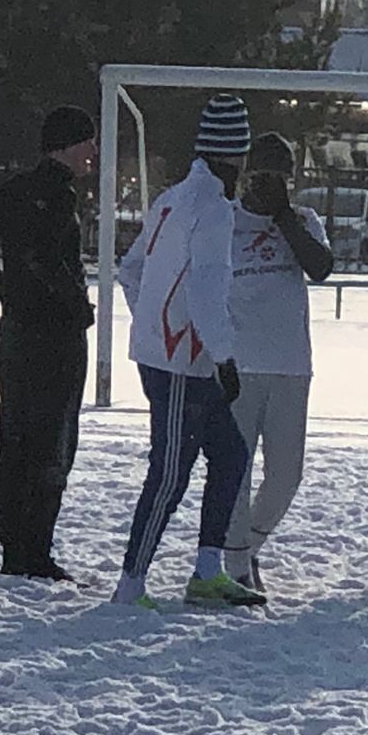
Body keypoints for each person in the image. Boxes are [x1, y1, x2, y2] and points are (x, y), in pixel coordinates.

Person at [112, 95, 263, 609]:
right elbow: (206, 289)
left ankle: (207, 570)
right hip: (185, 363)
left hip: (172, 354)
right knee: (172, 470)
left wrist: (153, 322)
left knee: (230, 453)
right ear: (236, 155)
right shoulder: (215, 210)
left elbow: (130, 270)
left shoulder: (173, 198)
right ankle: (131, 584)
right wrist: (222, 356)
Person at [0, 105, 98, 581]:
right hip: (52, 334)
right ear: (68, 145)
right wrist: (75, 303)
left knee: (15, 436)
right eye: (87, 142)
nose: (93, 152)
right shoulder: (57, 196)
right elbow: (46, 256)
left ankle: (13, 541)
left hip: (15, 330)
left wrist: (3, 288)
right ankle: (33, 547)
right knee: (53, 439)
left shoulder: (18, 187)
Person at [221, 133, 334, 597]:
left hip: (291, 365)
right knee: (237, 471)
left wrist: (285, 217)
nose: (271, 186)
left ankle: (248, 547)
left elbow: (321, 266)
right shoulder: (226, 222)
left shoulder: (303, 220)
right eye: (263, 177)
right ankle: (234, 563)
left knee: (287, 473)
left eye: (281, 178)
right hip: (241, 364)